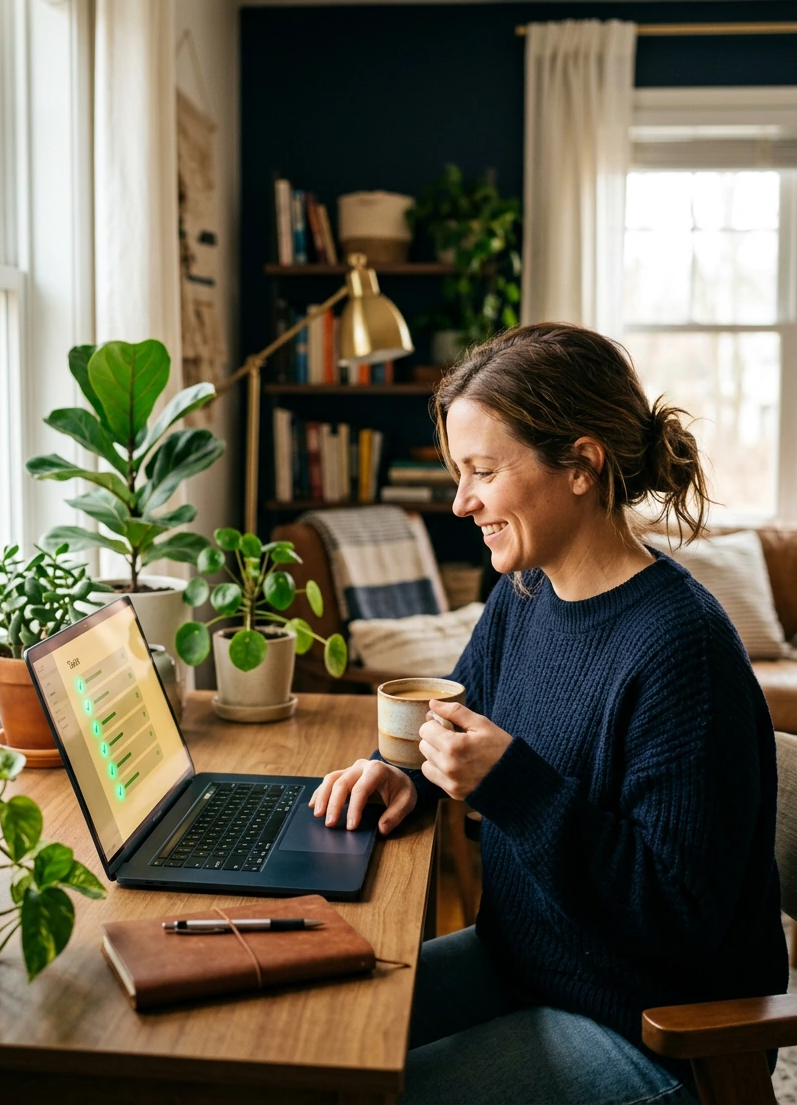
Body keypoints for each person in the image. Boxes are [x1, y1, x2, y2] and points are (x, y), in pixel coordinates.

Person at [309, 322, 787, 1105]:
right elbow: (453, 720)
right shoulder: (522, 595)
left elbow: (681, 919)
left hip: (653, 1030)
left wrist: (515, 787)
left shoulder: (684, 651)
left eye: (483, 471)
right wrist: (404, 776)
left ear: (581, 463)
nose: (463, 502)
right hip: (523, 964)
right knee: (311, 1043)